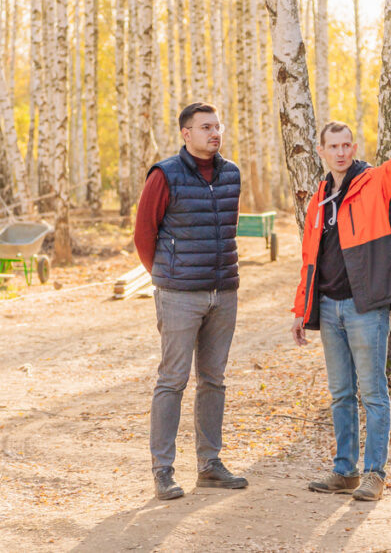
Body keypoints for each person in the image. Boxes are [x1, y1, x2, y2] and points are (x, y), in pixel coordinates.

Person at [291, 110, 391, 501]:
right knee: (341, 394)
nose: (341, 152)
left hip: (365, 307)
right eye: (333, 146)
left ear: (354, 148)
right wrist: (300, 310)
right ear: (321, 151)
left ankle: (374, 474)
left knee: (373, 394)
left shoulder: (373, 181)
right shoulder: (318, 200)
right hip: (328, 307)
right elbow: (309, 259)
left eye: (346, 145)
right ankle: (344, 471)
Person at [134, 102, 248, 501]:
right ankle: (163, 471)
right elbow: (144, 234)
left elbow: (229, 228)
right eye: (205, 127)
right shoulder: (164, 174)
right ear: (186, 134)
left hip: (224, 292)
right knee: (172, 381)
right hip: (179, 295)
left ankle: (210, 464)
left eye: (218, 126)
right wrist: (168, 275)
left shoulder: (231, 174)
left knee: (213, 380)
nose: (215, 133)